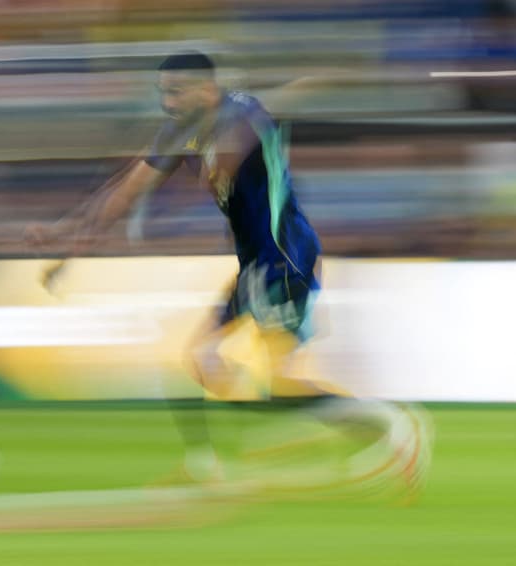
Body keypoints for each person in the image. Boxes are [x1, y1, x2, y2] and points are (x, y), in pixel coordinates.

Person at [25, 51, 429, 490]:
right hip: (257, 262)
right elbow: (126, 189)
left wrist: (334, 77)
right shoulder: (180, 131)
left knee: (272, 382)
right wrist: (66, 240)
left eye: (177, 92)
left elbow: (261, 122)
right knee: (203, 360)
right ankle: (210, 465)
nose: (169, 102)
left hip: (285, 258)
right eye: (164, 93)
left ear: (206, 88)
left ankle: (389, 424)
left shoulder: (241, 112)